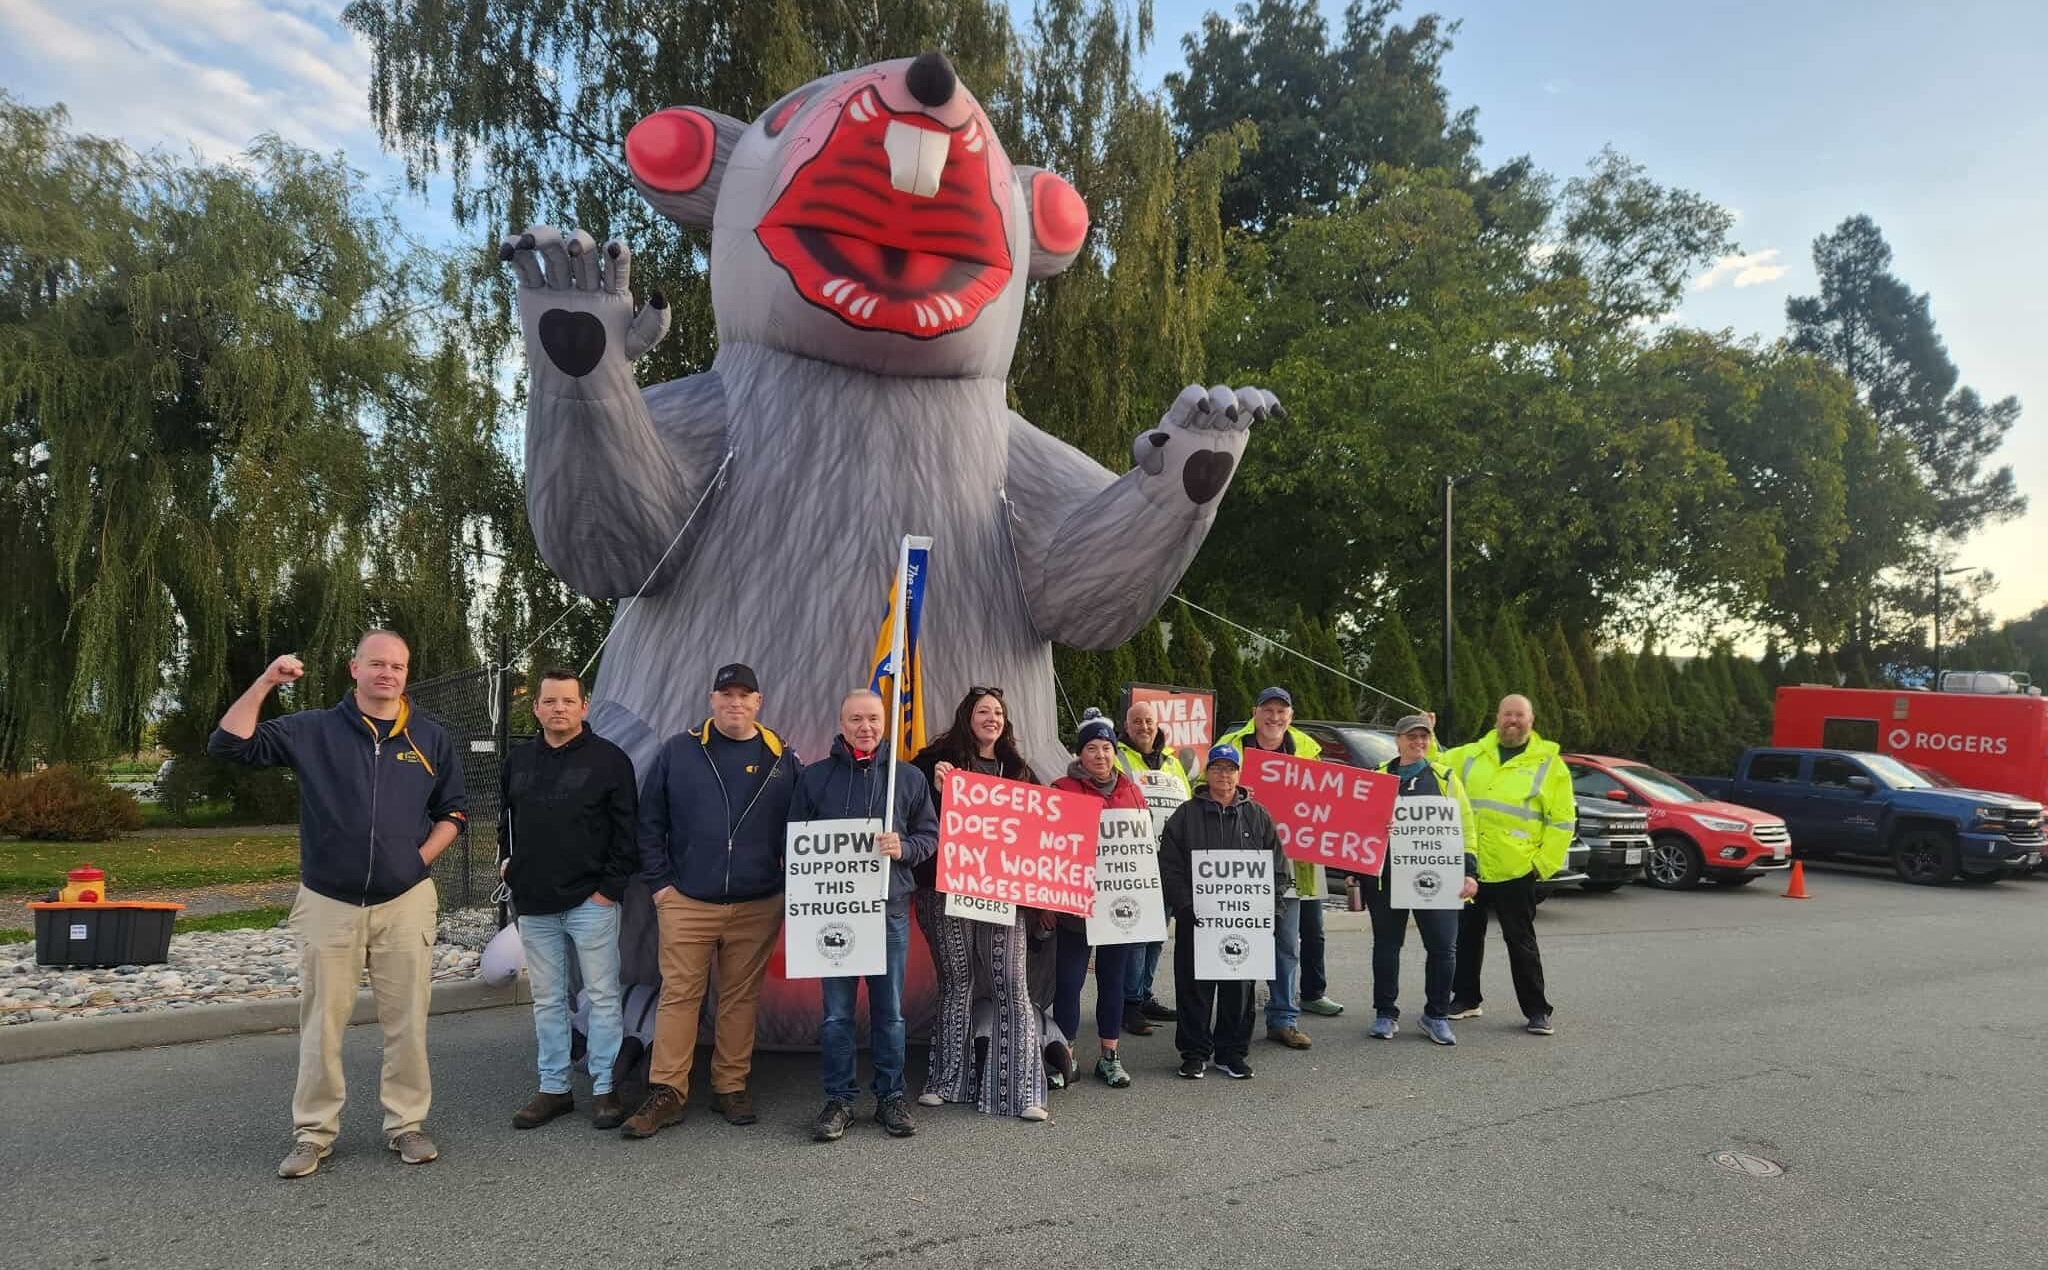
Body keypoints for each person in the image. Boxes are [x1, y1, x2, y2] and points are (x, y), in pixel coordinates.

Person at [208, 630, 467, 1179]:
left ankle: (406, 1125)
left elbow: (455, 811)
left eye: (397, 666)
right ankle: (313, 1133)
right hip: (329, 900)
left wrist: (417, 862)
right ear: (354, 669)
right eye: (377, 664)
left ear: (406, 672)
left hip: (406, 902)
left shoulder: (429, 737)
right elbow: (229, 745)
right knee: (322, 1023)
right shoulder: (312, 730)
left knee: (407, 1021)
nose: (388, 674)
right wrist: (265, 683)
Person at [622, 663, 801, 1138]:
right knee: (680, 995)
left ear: (758, 702)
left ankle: (730, 1085)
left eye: (745, 695)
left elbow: (804, 820)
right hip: (688, 900)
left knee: (741, 998)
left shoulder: (781, 757)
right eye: (726, 694)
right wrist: (660, 885)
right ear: (711, 699)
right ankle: (668, 1091)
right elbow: (650, 822)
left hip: (758, 901)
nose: (735, 703)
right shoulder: (679, 751)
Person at [794, 690, 940, 1143]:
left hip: (888, 911)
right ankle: (839, 1099)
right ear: (840, 723)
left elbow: (930, 836)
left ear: (885, 724)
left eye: (873, 719)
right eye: (856, 718)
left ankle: (890, 1097)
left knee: (889, 1012)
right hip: (832, 915)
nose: (865, 727)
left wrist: (905, 848)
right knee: (836, 1014)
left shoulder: (909, 778)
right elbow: (793, 837)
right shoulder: (815, 778)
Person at [498, 667, 638, 1131]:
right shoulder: (518, 760)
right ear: (536, 708)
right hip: (534, 902)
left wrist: (608, 891)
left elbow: (627, 832)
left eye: (567, 701)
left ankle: (604, 1088)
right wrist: (506, 861)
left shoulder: (610, 760)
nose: (558, 708)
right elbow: (506, 820)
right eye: (549, 701)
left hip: (590, 902)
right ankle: (554, 1088)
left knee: (601, 996)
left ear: (584, 706)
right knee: (548, 999)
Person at [911, 686, 1051, 1122]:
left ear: (1005, 722)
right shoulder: (934, 762)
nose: (991, 717)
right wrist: (935, 790)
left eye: (998, 712)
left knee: (1012, 983)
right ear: (966, 717)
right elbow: (913, 817)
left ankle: (1022, 1090)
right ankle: (946, 1080)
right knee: (958, 981)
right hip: (947, 888)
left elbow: (1043, 827)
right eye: (983, 710)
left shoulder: (1021, 772)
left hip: (1003, 894)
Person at [1432, 695, 1573, 1035]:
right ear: (1496, 718)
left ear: (1531, 720)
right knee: (1466, 937)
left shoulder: (1550, 765)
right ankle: (1466, 999)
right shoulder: (1469, 755)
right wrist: (1429, 731)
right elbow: (1434, 765)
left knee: (1521, 942)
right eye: (1507, 714)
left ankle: (1537, 1010)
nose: (1513, 720)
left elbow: (1563, 821)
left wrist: (1541, 865)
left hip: (1517, 868)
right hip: (1472, 866)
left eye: (1519, 715)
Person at [1218, 686, 1345, 1050]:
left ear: (1290, 715)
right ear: (1255, 711)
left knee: (1286, 943)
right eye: (1268, 710)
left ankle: (1283, 1018)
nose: (1274, 718)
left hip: (1290, 864)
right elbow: (1206, 787)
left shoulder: (1307, 749)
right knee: (1241, 939)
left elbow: (1331, 800)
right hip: (1239, 863)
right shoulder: (1233, 745)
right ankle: (1237, 1018)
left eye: (1282, 711)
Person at [1158, 744, 1284, 1081]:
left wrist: (1272, 911)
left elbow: (1277, 870)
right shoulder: (1186, 815)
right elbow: (1169, 866)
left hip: (1244, 924)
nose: (1223, 775)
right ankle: (1195, 1053)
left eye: (1230, 768)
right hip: (1196, 919)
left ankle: (1232, 1053)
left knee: (1239, 991)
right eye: (1217, 768)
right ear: (1207, 773)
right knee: (1194, 988)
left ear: (1239, 774)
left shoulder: (1258, 815)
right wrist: (1184, 905)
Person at [1048, 708, 1150, 1089]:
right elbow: (1049, 850)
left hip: (1119, 906)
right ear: (1079, 754)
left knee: (1113, 981)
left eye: (1106, 747)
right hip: (1075, 906)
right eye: (1091, 748)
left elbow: (1142, 850)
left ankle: (1110, 1056)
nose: (1101, 755)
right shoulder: (1062, 789)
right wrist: (1049, 905)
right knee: (1069, 983)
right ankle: (1065, 1057)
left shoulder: (1132, 791)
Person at [1364, 715, 1479, 1045]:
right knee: (1387, 947)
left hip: (1437, 877)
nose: (1419, 742)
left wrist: (1470, 871)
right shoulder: (1378, 776)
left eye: (1424, 737)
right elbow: (1358, 825)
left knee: (1444, 948)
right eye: (1411, 737)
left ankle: (1436, 1014)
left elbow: (1466, 828)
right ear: (1397, 740)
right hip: (1387, 878)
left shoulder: (1445, 778)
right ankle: (1385, 1013)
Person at [1115, 700, 1190, 1035]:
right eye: (1136, 721)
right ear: (1127, 726)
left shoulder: (1174, 763)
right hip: (1135, 862)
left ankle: (1144, 995)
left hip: (1170, 862)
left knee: (1157, 935)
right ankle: (1128, 1003)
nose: (1143, 727)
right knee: (1136, 936)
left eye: (1149, 721)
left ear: (1157, 725)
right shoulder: (1117, 757)